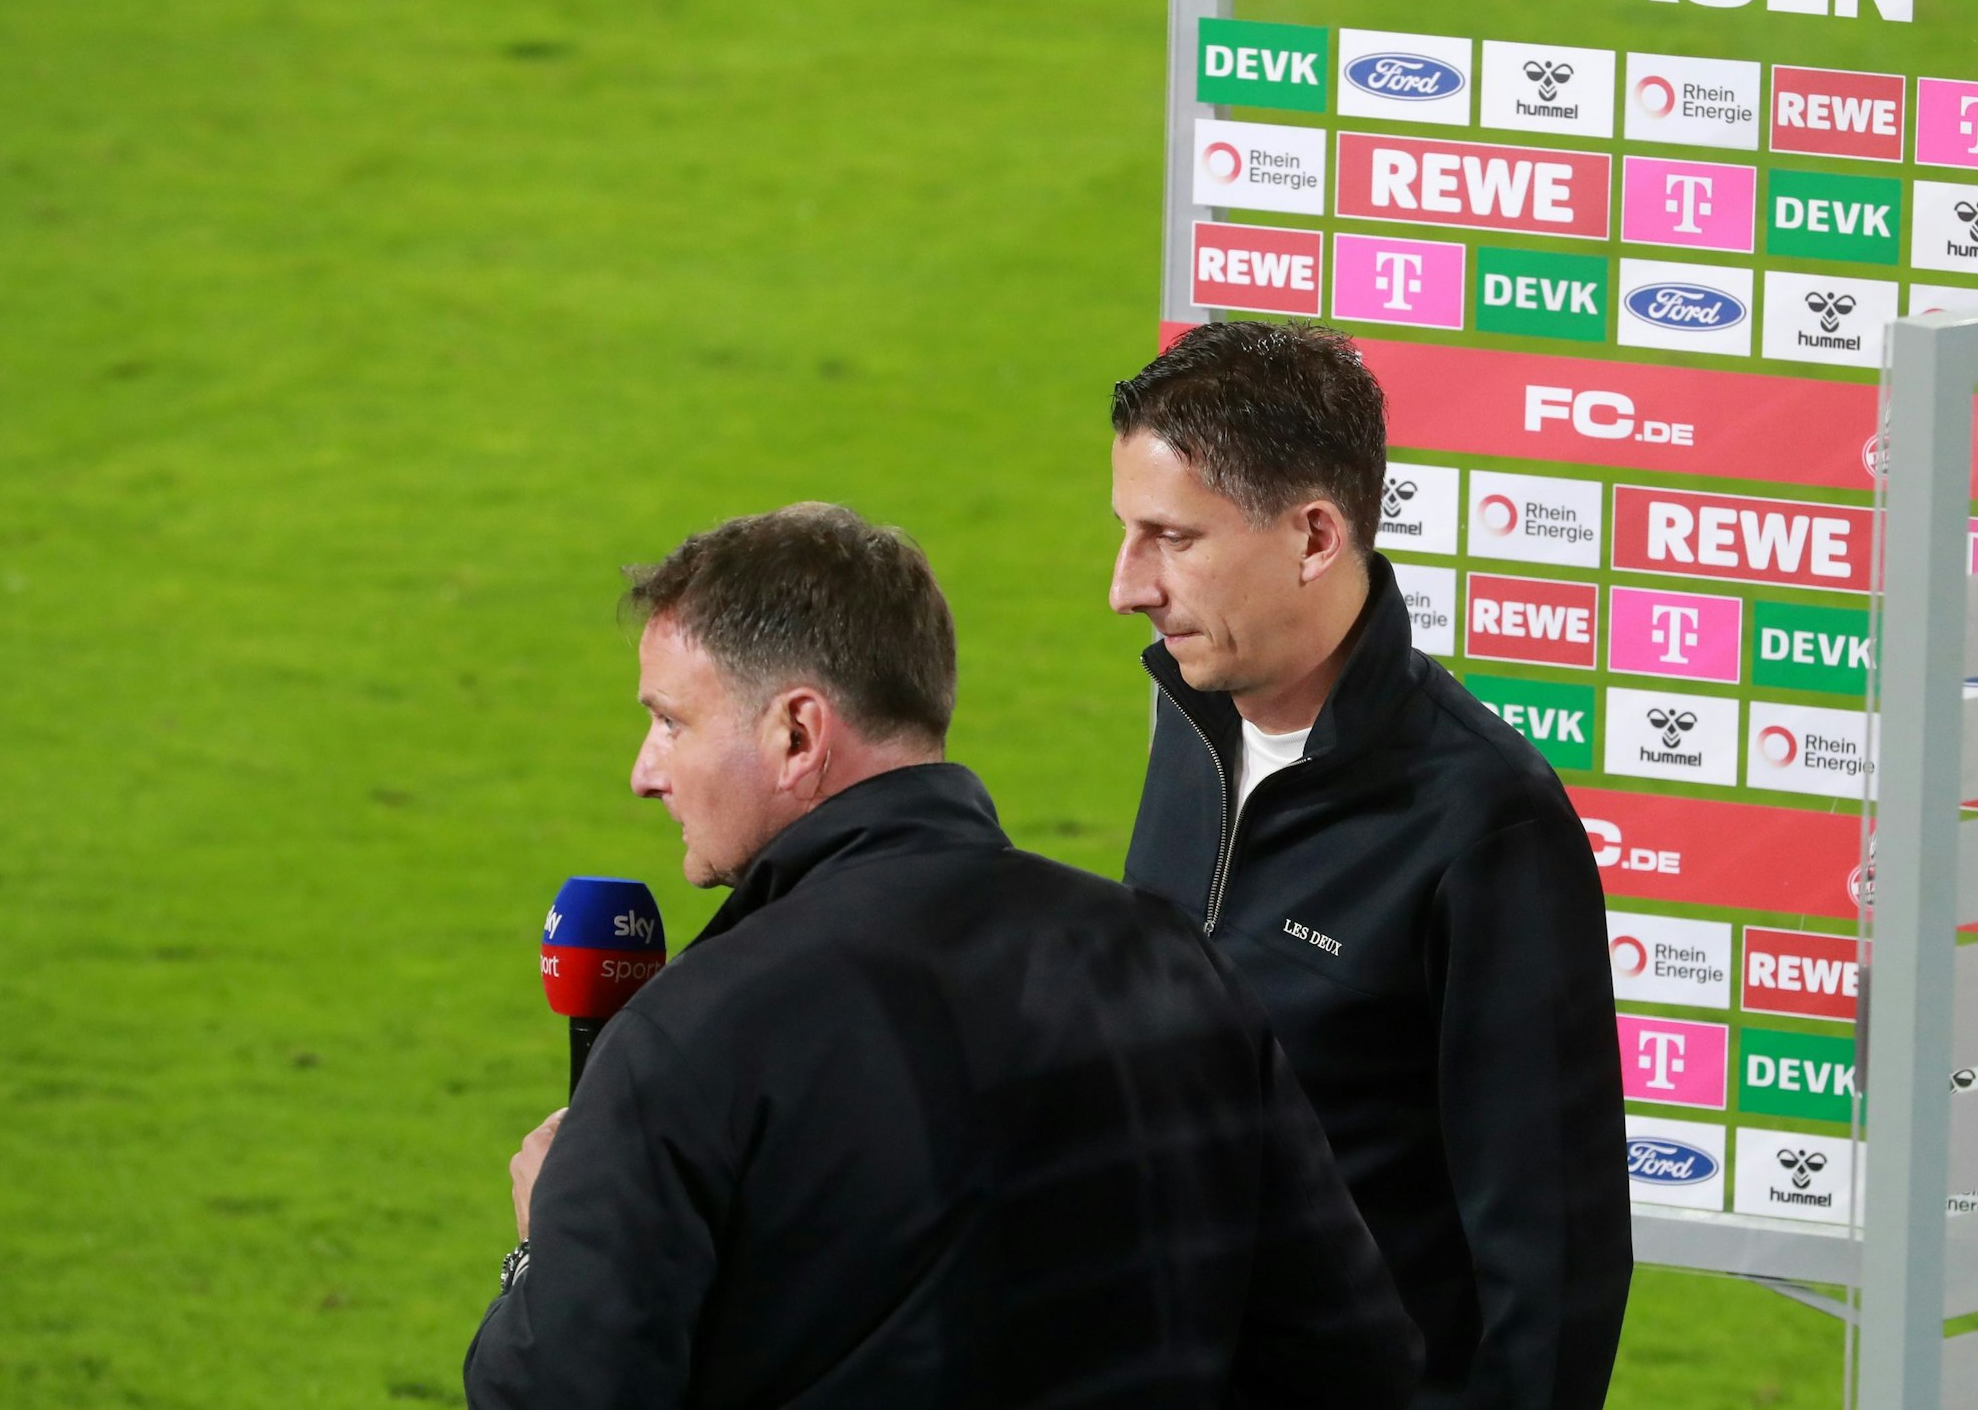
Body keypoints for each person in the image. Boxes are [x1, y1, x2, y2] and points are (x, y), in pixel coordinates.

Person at [465, 502, 1420, 1410]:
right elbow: (1349, 1364)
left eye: (671, 721)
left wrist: (546, 1251)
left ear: (798, 734)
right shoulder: (1171, 967)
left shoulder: (688, 1039)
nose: (645, 771)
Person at [1108, 322, 1631, 1410]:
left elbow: (1552, 1263)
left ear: (1311, 537)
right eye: (1125, 533)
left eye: (1170, 537)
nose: (1127, 587)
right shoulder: (1188, 727)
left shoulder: (1486, 824)